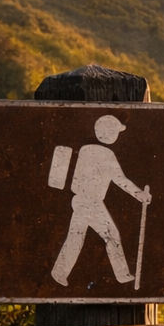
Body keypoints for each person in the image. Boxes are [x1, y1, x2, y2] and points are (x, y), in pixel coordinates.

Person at [50, 114, 150, 286]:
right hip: (91, 202)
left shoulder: (85, 149)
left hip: (81, 200)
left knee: (76, 237)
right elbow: (120, 179)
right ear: (109, 134)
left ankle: (59, 272)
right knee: (111, 235)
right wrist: (139, 194)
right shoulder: (106, 154)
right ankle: (122, 275)